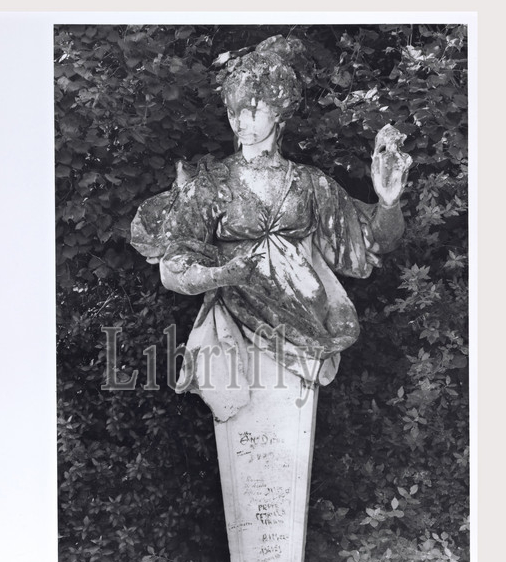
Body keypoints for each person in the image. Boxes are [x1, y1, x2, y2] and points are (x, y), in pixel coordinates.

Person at [131, 35, 411, 421]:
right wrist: (220, 274)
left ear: (279, 111)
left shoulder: (310, 183)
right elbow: (175, 262)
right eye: (233, 111)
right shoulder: (213, 183)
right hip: (237, 322)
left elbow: (372, 242)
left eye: (251, 110)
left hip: (308, 323)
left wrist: (389, 202)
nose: (239, 121)